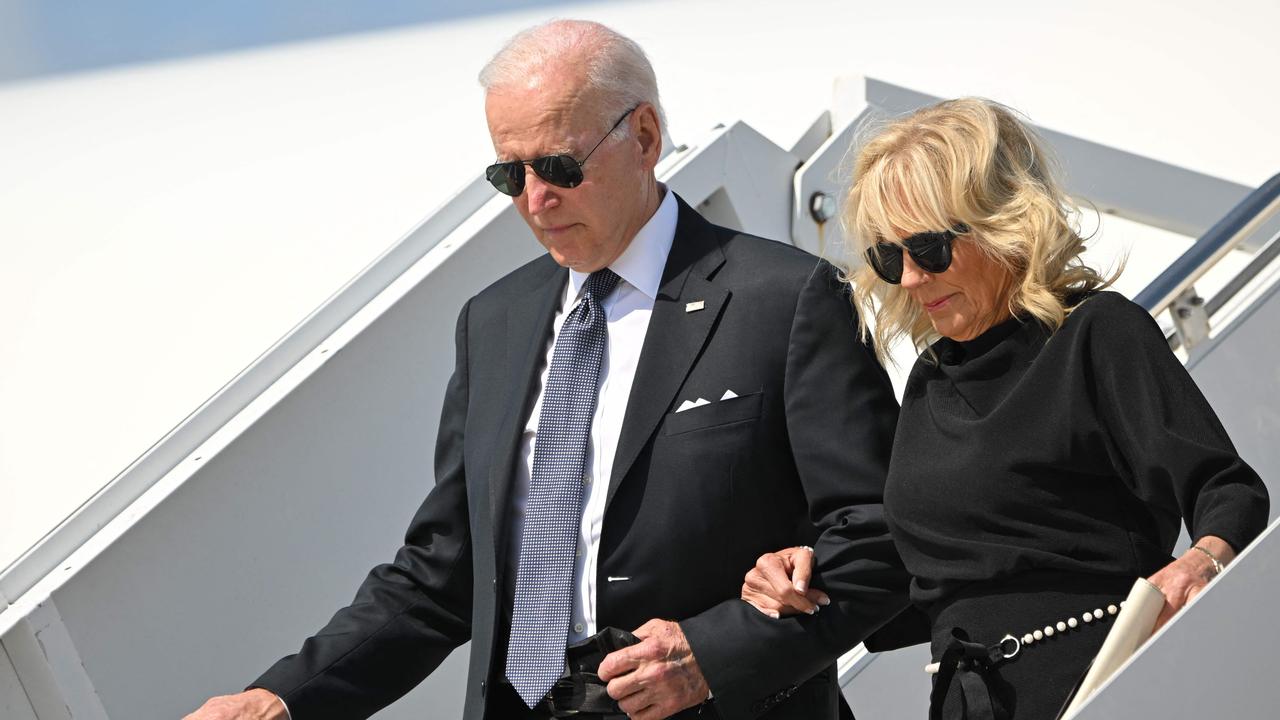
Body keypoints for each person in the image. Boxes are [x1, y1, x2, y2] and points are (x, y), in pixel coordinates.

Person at [185, 19, 911, 720]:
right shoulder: (494, 321)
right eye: (510, 173)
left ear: (645, 137)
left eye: (560, 167)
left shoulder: (782, 298)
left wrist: (710, 657)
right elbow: (445, 574)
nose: (535, 200)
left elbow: (881, 537)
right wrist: (284, 699)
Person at [740, 98, 1270, 719]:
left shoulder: (1096, 333)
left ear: (1002, 224)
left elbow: (1227, 489)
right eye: (889, 257)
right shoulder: (931, 379)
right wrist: (809, 572)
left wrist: (1202, 562)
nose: (909, 278)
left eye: (929, 249)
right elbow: (924, 580)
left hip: (1102, 688)